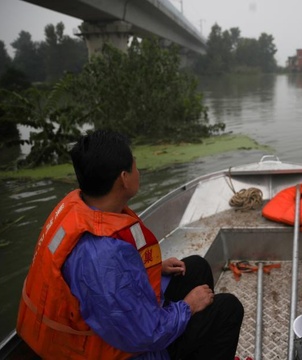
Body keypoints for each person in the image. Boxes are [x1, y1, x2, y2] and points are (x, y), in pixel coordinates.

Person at [16, 130, 244, 359]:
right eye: (135, 166)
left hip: (109, 326)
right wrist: (188, 306)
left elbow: (113, 283)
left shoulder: (82, 208)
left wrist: (156, 267)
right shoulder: (101, 255)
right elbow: (148, 334)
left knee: (195, 267)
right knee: (228, 309)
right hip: (119, 351)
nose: (139, 171)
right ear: (124, 178)